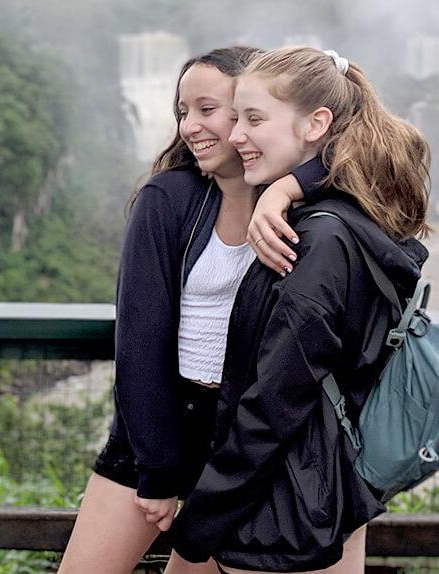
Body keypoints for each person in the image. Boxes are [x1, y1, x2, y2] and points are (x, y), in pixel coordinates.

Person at [57, 46, 329, 574]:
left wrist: (288, 188)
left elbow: (387, 170)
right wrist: (158, 473)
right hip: (160, 430)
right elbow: (139, 344)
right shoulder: (169, 197)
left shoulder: (311, 208)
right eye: (182, 112)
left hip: (245, 444)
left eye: (207, 109)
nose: (189, 126)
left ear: (253, 112)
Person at [170, 47, 430, 573]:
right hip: (321, 491)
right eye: (236, 117)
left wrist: (202, 517)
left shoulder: (316, 239)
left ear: (316, 124)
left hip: (280, 511)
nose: (235, 134)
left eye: (254, 119)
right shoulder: (354, 214)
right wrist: (290, 186)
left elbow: (274, 399)